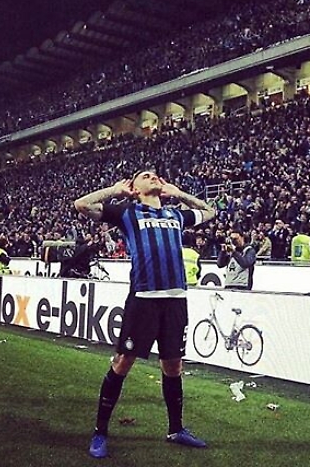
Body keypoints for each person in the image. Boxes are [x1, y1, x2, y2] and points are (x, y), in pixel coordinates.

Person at [73, 169, 216, 458]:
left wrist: (179, 194)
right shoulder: (127, 212)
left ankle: (176, 429)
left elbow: (210, 212)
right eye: (145, 175)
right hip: (143, 299)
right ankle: (100, 432)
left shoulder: (176, 215)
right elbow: (82, 204)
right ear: (135, 188)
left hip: (175, 299)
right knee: (123, 362)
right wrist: (115, 190)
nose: (153, 177)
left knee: (173, 366)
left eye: (155, 175)